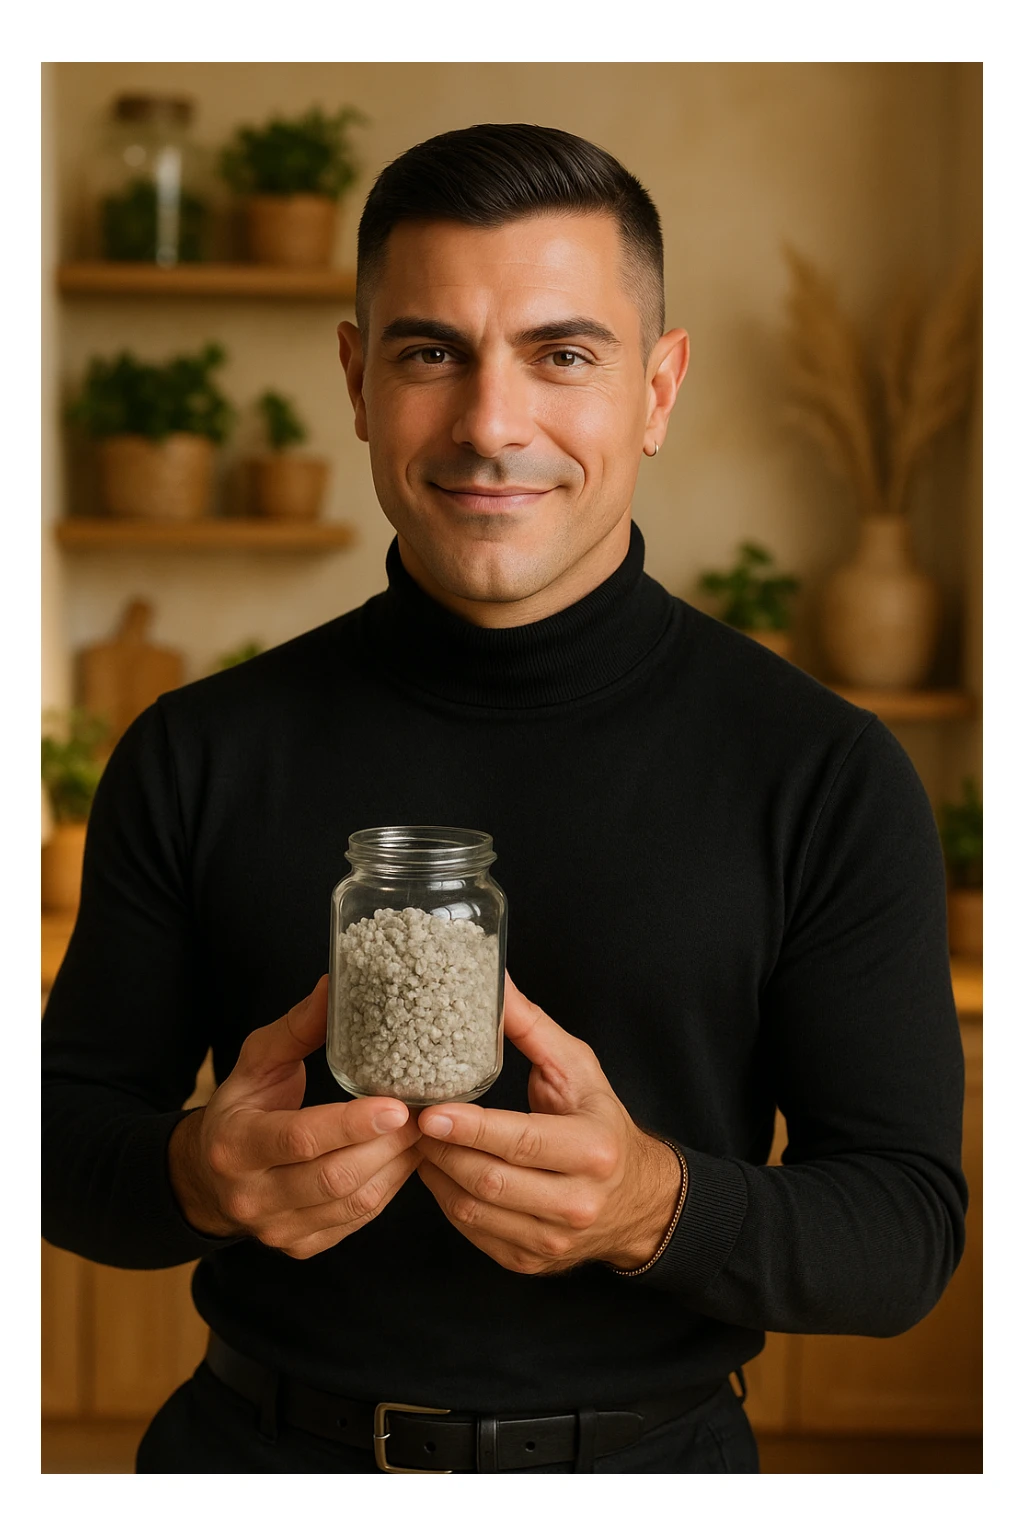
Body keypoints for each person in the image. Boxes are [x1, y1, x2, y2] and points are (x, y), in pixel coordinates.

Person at [41, 123, 967, 1476]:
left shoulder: (821, 771)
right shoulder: (197, 751)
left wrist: (657, 1206)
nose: (490, 424)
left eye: (563, 354)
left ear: (658, 388)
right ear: (358, 380)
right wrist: (199, 1175)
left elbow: (905, 1235)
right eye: (431, 352)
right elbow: (57, 1144)